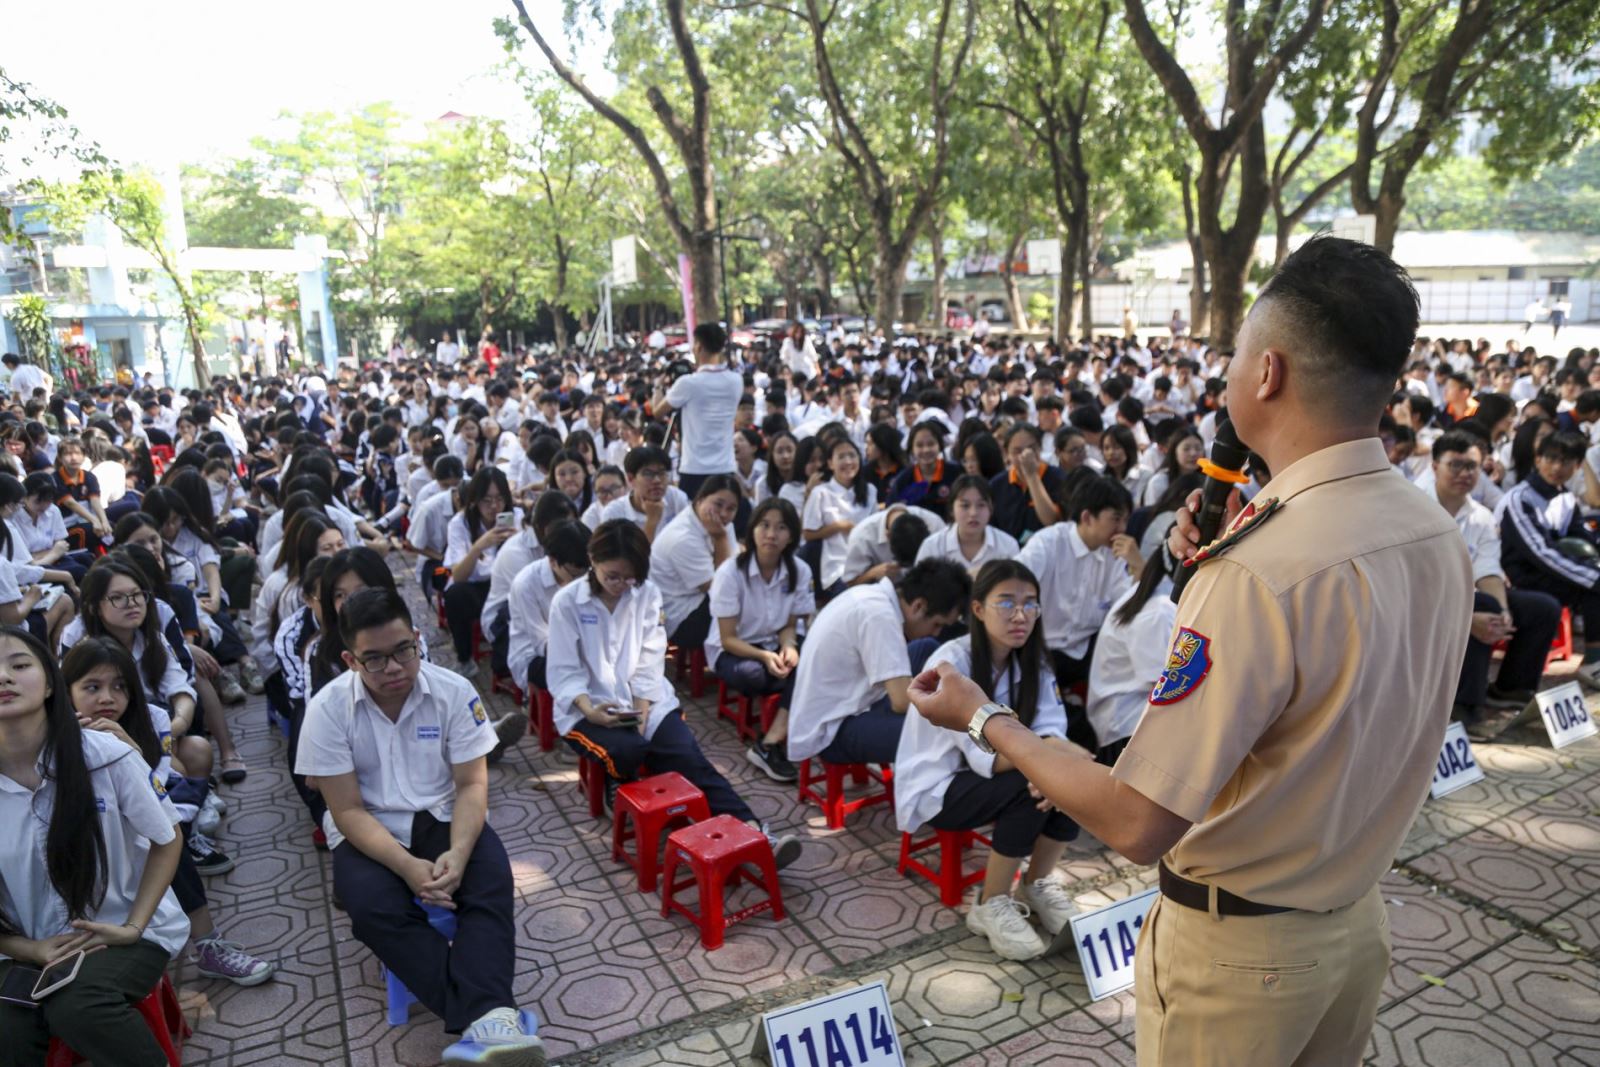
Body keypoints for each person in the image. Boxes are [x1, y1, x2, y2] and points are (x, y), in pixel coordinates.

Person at [906, 236, 1473, 1066]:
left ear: (1269, 373)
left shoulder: (1260, 571)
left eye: (1238, 350)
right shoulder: (1434, 532)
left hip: (1242, 962)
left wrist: (982, 714)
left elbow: (1138, 819)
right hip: (1354, 926)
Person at [295, 588, 547, 1065]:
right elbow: (346, 811)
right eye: (374, 659)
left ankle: (485, 1024)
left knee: (489, 883)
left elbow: (472, 785)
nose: (393, 668)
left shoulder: (452, 691)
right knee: (371, 907)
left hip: (445, 815)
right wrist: (409, 867)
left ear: (416, 640)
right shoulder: (327, 711)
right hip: (368, 828)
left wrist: (460, 847)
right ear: (350, 659)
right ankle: (488, 1018)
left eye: (402, 652)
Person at [544, 520, 801, 865]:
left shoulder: (646, 592)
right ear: (593, 560)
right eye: (612, 576)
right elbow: (563, 671)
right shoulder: (567, 603)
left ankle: (756, 834)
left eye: (630, 576)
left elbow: (651, 659)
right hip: (586, 708)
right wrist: (590, 710)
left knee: (688, 757)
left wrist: (642, 713)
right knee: (629, 749)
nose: (622, 585)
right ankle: (617, 780)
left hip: (646, 702)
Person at [0, 626, 189, 1067]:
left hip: (121, 929)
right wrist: (31, 949)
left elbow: (167, 837)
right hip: (20, 945)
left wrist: (134, 926)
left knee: (79, 1006)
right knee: (7, 1033)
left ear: (50, 683)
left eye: (19, 665)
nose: (3, 678)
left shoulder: (105, 755)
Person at [894, 560, 1079, 960]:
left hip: (1005, 766)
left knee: (1074, 778)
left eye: (1031, 604)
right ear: (977, 609)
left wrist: (1056, 759)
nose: (1020, 615)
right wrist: (1047, 760)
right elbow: (984, 755)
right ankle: (990, 902)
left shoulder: (1033, 660)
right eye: (1006, 603)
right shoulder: (951, 666)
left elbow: (1052, 725)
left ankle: (1036, 883)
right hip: (940, 786)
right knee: (1036, 785)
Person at [786, 559, 970, 769]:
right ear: (918, 606)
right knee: (942, 732)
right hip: (832, 730)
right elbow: (901, 702)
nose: (937, 631)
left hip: (852, 699)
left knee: (927, 647)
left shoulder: (875, 597)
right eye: (937, 624)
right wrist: (955, 709)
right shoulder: (879, 615)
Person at [706, 498, 815, 783]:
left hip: (775, 643)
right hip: (736, 650)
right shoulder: (731, 572)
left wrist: (789, 646)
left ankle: (769, 742)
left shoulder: (799, 570)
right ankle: (800, 700)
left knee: (814, 658)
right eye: (764, 525)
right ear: (752, 529)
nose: (771, 534)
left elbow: (789, 625)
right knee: (755, 675)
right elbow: (728, 639)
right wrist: (766, 657)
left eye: (781, 527)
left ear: (791, 535)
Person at [1497, 430, 1600, 689]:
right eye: (1551, 458)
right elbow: (1540, 553)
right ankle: (1593, 662)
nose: (1557, 467)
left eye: (1566, 462)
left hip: (1551, 572)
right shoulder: (1520, 499)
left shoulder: (1566, 497)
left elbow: (1585, 540)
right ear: (1538, 459)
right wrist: (1592, 576)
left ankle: (1594, 659)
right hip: (1518, 577)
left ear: (1577, 466)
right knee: (1593, 587)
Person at [1085, 548, 1178, 765]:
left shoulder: (1155, 594)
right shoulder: (1158, 610)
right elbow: (1166, 688)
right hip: (1127, 730)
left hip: (1130, 723)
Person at [650, 323, 742, 504]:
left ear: (698, 346)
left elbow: (657, 413)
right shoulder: (736, 381)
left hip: (694, 469)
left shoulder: (687, 384)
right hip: (725, 467)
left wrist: (658, 386)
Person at [648, 475, 740, 651]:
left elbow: (733, 569)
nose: (723, 513)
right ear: (701, 499)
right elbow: (720, 588)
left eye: (731, 508)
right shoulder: (682, 538)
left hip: (702, 600)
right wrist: (721, 540)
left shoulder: (721, 524)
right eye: (718, 504)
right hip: (681, 617)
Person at [802, 437, 877, 597]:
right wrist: (839, 527)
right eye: (841, 457)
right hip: (837, 567)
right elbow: (808, 533)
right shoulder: (821, 492)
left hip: (868, 564)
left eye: (852, 455)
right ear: (830, 463)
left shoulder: (870, 490)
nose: (848, 461)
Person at [914, 474, 1020, 576]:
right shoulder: (932, 547)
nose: (973, 513)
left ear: (991, 508)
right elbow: (919, 590)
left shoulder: (1008, 546)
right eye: (965, 506)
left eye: (981, 505)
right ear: (951, 509)